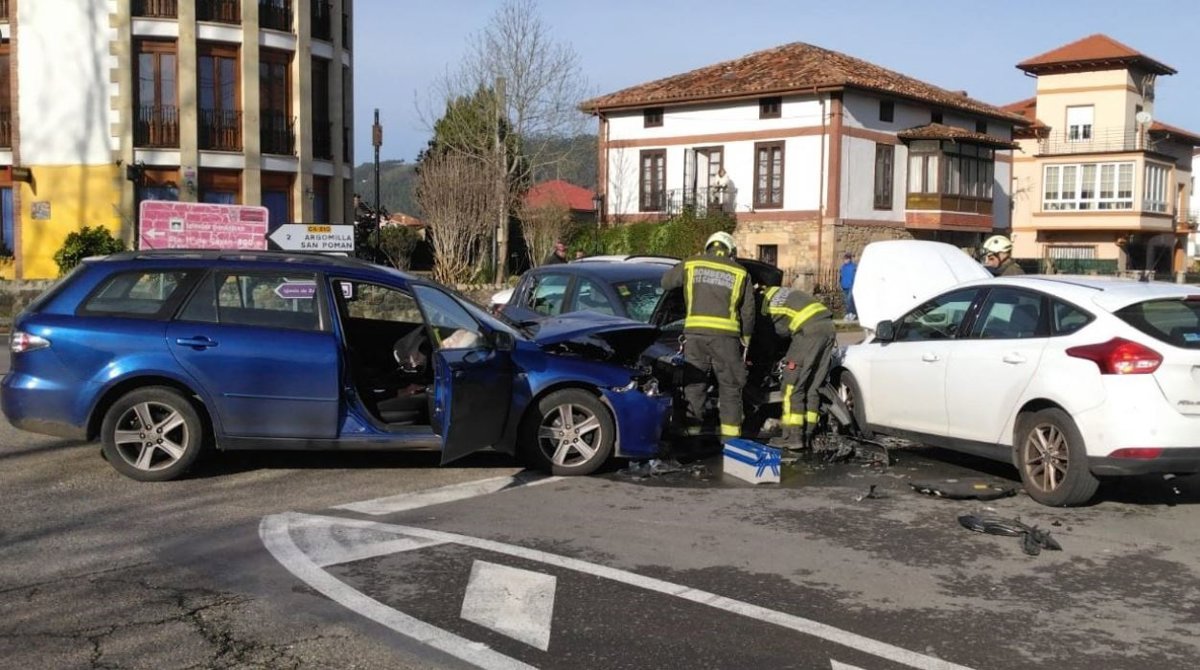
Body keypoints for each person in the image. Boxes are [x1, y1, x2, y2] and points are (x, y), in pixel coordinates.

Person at [661, 231, 755, 440]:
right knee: (730, 388)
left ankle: (692, 436)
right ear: (730, 251)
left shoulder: (692, 264)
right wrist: (746, 339)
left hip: (695, 337)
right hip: (727, 339)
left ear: (708, 247)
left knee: (694, 385)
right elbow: (748, 311)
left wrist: (686, 264)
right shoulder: (740, 272)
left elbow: (666, 282)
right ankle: (731, 440)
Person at [759, 286, 836, 449]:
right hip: (828, 327)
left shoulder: (762, 306)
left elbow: (772, 340)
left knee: (791, 386)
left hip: (807, 332)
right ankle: (809, 434)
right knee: (813, 386)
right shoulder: (778, 292)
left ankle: (792, 436)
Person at [839, 252, 857, 321]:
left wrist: (853, 283)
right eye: (845, 259)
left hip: (851, 286)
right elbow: (841, 276)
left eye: (847, 259)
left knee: (849, 300)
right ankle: (848, 313)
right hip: (844, 286)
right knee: (846, 301)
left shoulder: (853, 267)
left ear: (849, 259)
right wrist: (840, 283)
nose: (845, 260)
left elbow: (855, 276)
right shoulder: (843, 267)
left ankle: (851, 313)